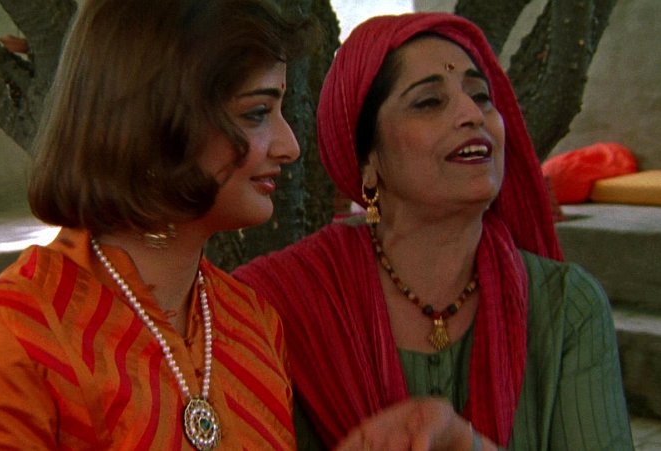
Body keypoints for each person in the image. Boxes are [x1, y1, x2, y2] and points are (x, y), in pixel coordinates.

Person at [0, 0, 312, 449]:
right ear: (154, 120)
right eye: (256, 113)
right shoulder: (3, 341)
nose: (289, 146)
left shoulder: (251, 323)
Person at [234, 12, 634, 450]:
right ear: (368, 160)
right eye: (429, 102)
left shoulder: (566, 307)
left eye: (481, 96)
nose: (471, 114)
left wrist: (468, 446)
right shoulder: (278, 305)